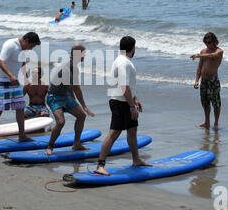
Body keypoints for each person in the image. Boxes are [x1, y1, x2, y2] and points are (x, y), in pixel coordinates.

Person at [95, 36, 152, 176]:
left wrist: (134, 99)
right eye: (135, 47)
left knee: (132, 131)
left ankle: (136, 159)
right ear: (132, 48)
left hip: (125, 100)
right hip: (120, 103)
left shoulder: (124, 61)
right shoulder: (123, 62)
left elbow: (128, 85)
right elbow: (123, 86)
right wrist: (132, 107)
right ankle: (100, 165)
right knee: (114, 133)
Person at [0, 32, 41, 145]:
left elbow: (22, 64)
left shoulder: (24, 50)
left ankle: (22, 136)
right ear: (26, 41)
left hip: (14, 80)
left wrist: (26, 79)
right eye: (31, 46)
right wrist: (11, 75)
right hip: (2, 79)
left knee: (20, 107)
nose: (31, 49)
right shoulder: (10, 44)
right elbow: (1, 61)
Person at [44, 43, 95, 156]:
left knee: (81, 116)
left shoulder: (72, 64)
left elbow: (70, 85)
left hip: (65, 95)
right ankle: (50, 146)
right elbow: (77, 88)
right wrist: (85, 106)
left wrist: (72, 97)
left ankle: (76, 143)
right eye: (83, 53)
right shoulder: (70, 65)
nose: (84, 56)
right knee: (61, 122)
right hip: (54, 97)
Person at [190, 32, 223, 131]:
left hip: (213, 80)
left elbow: (212, 56)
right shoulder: (203, 51)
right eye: (205, 42)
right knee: (205, 102)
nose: (207, 44)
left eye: (209, 42)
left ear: (214, 41)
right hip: (204, 81)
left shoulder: (219, 51)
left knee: (216, 103)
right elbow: (199, 67)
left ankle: (216, 123)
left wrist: (199, 55)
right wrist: (196, 80)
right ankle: (207, 122)